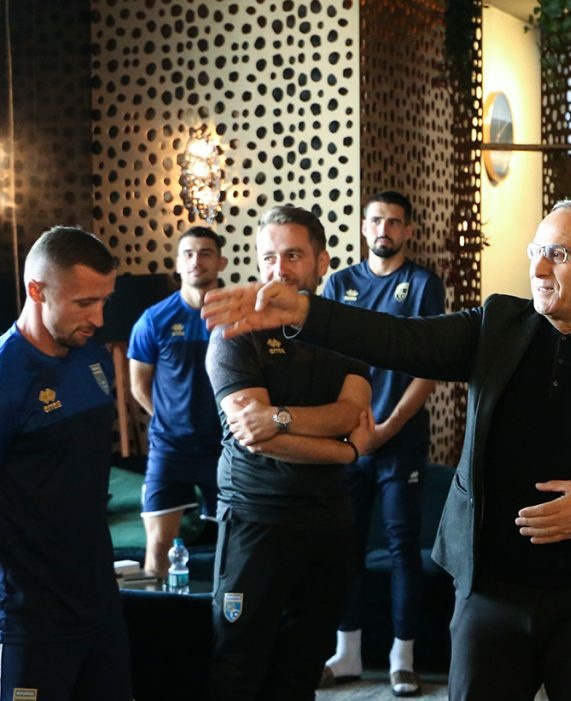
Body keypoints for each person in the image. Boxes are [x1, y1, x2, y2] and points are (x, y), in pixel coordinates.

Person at [201, 200, 571, 701]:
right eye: (536, 251)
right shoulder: (500, 326)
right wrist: (305, 311)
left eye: (557, 255)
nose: (538, 268)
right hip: (490, 597)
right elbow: (400, 338)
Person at [201, 205, 374, 701]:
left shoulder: (344, 330)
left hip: (327, 520)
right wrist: (344, 454)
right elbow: (255, 437)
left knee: (302, 668)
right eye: (269, 257)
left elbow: (351, 414)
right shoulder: (235, 332)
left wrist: (277, 417)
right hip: (256, 517)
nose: (279, 269)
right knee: (237, 665)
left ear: (322, 262)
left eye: (293, 256)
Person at [321, 191, 445, 695]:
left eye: (394, 222)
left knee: (401, 548)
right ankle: (347, 653)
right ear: (363, 226)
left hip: (400, 439)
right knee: (343, 545)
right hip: (347, 440)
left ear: (407, 231)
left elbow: (429, 368)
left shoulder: (423, 285)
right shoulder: (339, 284)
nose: (384, 230)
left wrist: (387, 428)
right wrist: (348, 427)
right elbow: (327, 358)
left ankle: (402, 658)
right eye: (376, 220)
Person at [0, 226, 131, 700]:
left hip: (98, 596)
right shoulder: (5, 376)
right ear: (36, 290)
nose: (98, 317)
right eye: (84, 303)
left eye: (104, 301)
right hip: (32, 614)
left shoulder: (90, 355)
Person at [128, 226, 227, 577]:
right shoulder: (154, 320)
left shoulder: (237, 315)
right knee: (158, 547)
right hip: (170, 449)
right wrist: (170, 418)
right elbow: (139, 385)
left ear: (221, 262)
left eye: (205, 253)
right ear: (178, 263)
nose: (196, 260)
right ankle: (157, 612)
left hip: (225, 448)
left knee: (236, 545)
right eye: (188, 254)